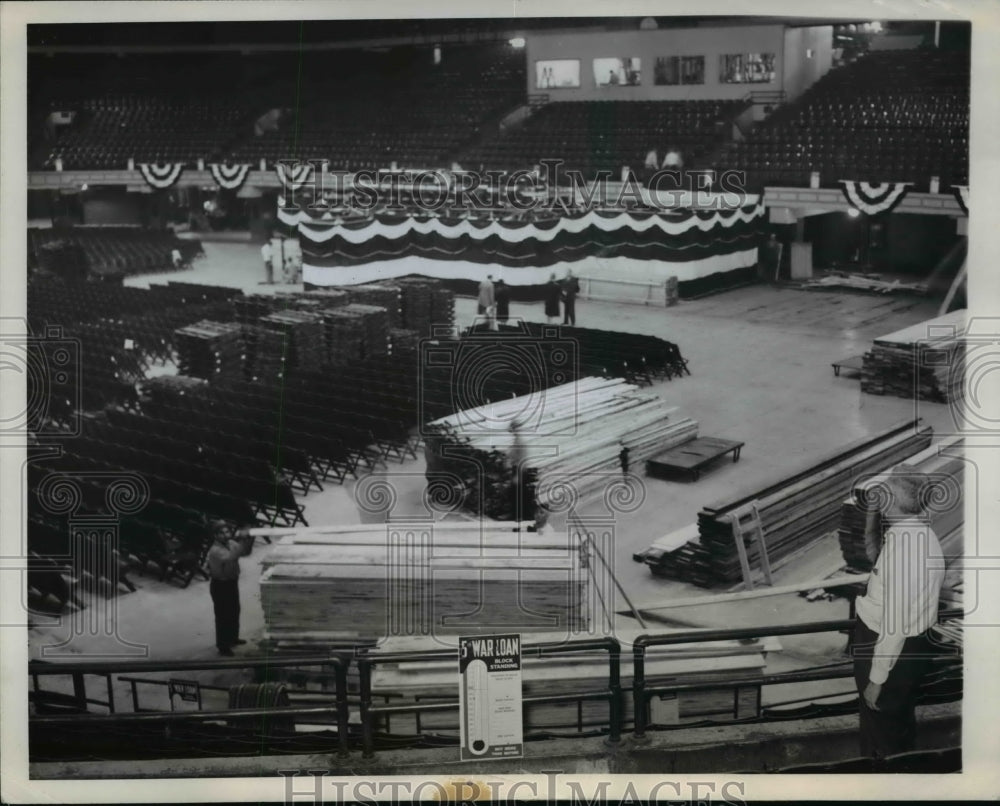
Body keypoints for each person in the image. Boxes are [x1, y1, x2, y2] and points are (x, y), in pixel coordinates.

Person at [852, 466, 945, 758]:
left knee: (880, 734)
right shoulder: (921, 535)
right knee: (897, 726)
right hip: (908, 650)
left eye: (885, 489)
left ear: (892, 499)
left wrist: (877, 680)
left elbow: (895, 623)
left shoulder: (905, 548)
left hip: (888, 651)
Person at [206, 521, 254, 656]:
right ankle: (223, 646)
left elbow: (245, 552)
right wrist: (244, 537)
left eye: (227, 532)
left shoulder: (231, 543)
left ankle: (233, 638)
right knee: (223, 616)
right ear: (215, 536)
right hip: (220, 585)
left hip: (232, 582)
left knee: (234, 611)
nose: (225, 535)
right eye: (221, 533)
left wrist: (249, 538)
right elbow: (231, 556)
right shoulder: (215, 550)